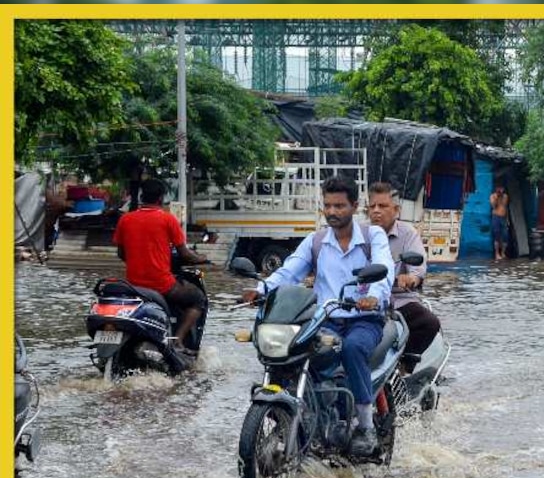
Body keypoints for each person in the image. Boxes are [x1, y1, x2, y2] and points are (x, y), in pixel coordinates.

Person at [242, 175, 394, 457]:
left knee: (352, 348)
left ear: (355, 206)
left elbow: (384, 268)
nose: (333, 212)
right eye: (328, 206)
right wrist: (260, 289)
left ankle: (365, 425)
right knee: (296, 351)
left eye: (340, 206)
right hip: (326, 319)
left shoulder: (373, 237)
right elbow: (289, 272)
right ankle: (306, 409)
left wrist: (373, 295)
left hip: (364, 318)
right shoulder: (316, 241)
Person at [112, 178, 211, 354]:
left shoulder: (125, 219)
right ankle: (178, 341)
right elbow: (185, 254)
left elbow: (121, 254)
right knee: (198, 299)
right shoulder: (168, 220)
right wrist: (201, 258)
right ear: (160, 198)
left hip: (133, 286)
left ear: (142, 196)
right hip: (161, 285)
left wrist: (138, 261)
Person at [366, 182, 443, 359]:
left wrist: (411, 279)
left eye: (383, 206)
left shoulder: (408, 233)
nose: (376, 211)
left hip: (398, 299)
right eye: (372, 206)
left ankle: (405, 366)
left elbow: (417, 269)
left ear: (396, 210)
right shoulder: (359, 232)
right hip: (363, 300)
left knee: (429, 323)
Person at [490, 186, 510, 260]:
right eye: (499, 189)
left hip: (504, 217)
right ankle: (497, 253)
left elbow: (505, 207)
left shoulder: (505, 196)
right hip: (496, 217)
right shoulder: (493, 196)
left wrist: (507, 219)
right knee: (496, 236)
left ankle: (503, 253)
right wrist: (497, 197)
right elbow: (493, 206)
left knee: (505, 236)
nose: (501, 191)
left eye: (502, 189)